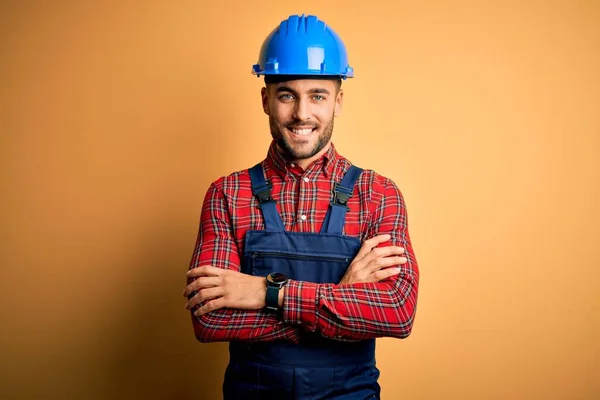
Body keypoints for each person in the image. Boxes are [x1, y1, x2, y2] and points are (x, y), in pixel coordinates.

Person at [183, 14, 419, 399]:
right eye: (287, 94)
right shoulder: (227, 194)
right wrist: (338, 297)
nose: (302, 114)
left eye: (318, 96)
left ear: (338, 102)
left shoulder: (378, 194)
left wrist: (266, 292)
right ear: (266, 99)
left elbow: (397, 311)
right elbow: (210, 319)